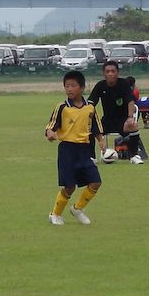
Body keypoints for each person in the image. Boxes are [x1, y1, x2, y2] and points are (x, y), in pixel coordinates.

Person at [45, 71, 106, 226]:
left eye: (73, 86)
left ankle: (77, 208)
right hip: (67, 150)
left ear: (82, 88)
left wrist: (101, 141)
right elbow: (50, 127)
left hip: (85, 150)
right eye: (67, 86)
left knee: (95, 182)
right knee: (69, 186)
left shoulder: (90, 108)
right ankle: (55, 214)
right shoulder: (62, 107)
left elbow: (96, 127)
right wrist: (51, 134)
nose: (69, 89)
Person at [88, 61, 144, 164]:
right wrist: (88, 114)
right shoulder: (100, 85)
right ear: (103, 73)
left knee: (133, 125)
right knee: (89, 129)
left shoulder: (124, 84)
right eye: (107, 71)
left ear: (117, 73)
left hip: (122, 121)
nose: (110, 74)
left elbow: (130, 101)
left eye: (113, 71)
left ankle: (134, 156)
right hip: (106, 121)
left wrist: (130, 117)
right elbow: (91, 102)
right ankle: (91, 158)